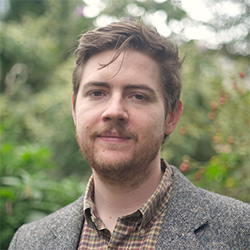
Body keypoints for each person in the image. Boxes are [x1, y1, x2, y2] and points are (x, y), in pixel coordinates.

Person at [9, 20, 250, 250]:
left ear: (171, 116)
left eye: (138, 96)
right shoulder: (29, 241)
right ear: (74, 109)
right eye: (97, 93)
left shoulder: (240, 231)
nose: (114, 111)